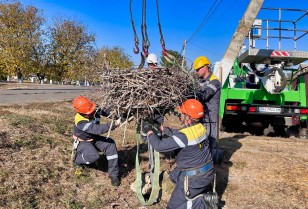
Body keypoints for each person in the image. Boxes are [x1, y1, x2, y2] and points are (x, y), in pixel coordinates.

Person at [143, 99, 215, 209]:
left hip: (194, 179)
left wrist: (149, 132)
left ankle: (203, 202)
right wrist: (163, 129)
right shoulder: (200, 128)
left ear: (188, 117)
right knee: (173, 176)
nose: (181, 115)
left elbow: (159, 146)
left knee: (172, 207)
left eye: (182, 113)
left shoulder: (184, 137)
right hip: (208, 172)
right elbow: (180, 134)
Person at [72, 95, 121, 186]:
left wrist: (118, 114)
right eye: (90, 112)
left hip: (94, 138)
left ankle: (113, 174)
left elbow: (106, 111)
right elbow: (98, 129)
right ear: (83, 113)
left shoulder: (92, 109)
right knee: (94, 156)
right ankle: (78, 160)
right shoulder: (80, 122)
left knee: (110, 144)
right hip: (83, 141)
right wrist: (115, 124)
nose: (93, 112)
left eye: (92, 110)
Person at [193, 55, 223, 164]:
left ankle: (212, 162)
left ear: (206, 67)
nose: (196, 72)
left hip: (211, 117)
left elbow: (203, 95)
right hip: (201, 116)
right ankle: (201, 161)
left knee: (210, 141)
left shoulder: (214, 81)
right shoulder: (199, 80)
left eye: (198, 69)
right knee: (200, 140)